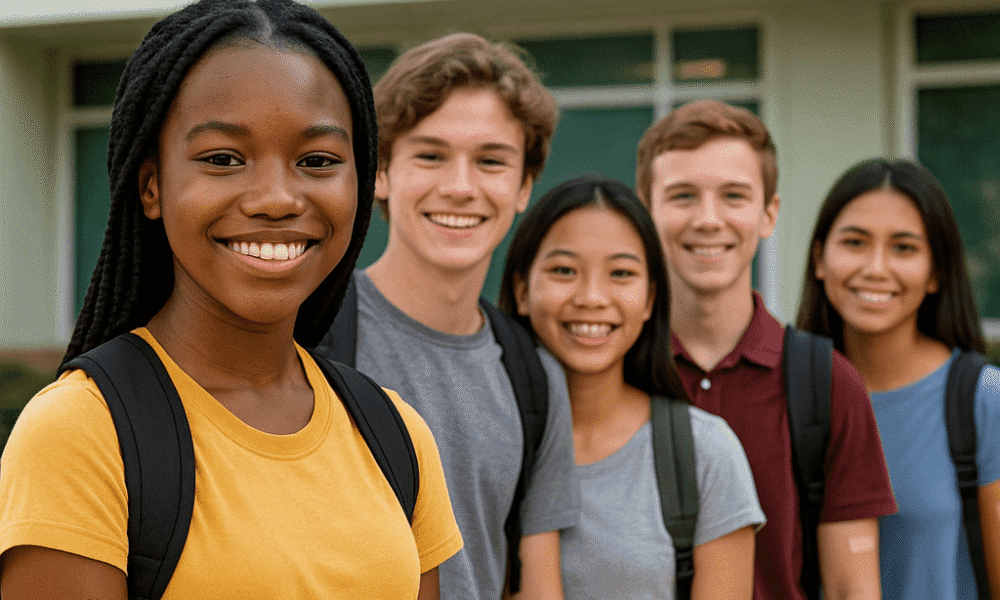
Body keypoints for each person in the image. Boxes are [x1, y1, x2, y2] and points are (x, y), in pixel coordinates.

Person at [0, 1, 463, 598]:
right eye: (223, 159)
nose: (275, 197)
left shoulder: (395, 434)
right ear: (152, 186)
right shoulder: (82, 433)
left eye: (317, 161)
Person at [314, 33, 579, 600]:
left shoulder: (534, 378)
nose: (460, 188)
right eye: (431, 155)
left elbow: (536, 586)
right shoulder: (308, 335)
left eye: (490, 161)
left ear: (524, 185)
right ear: (381, 172)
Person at [634, 99, 898, 600]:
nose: (708, 220)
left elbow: (851, 588)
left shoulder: (827, 383)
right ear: (646, 214)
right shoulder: (610, 371)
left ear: (768, 213)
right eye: (683, 196)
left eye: (734, 196)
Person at [497, 175, 765, 599]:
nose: (592, 297)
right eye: (564, 270)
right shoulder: (481, 441)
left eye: (621, 273)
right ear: (522, 290)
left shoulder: (705, 453)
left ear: (649, 300)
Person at [797, 158, 1000, 600]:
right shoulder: (789, 395)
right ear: (819, 259)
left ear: (936, 274)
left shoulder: (985, 402)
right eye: (854, 242)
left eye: (904, 248)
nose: (875, 268)